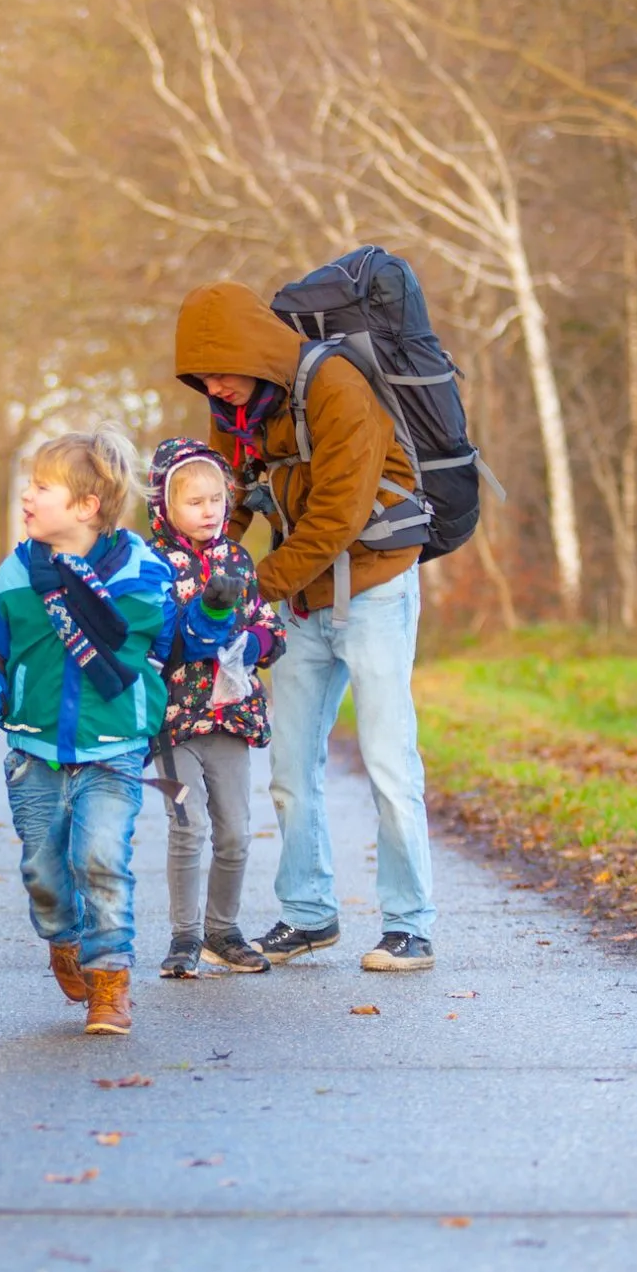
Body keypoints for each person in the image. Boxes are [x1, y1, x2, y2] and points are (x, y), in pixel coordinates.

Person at [173, 278, 438, 973]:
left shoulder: (336, 385)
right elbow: (222, 505)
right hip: (299, 604)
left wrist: (249, 588)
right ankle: (309, 914)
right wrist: (196, 572)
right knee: (290, 769)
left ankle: (410, 925)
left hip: (374, 587)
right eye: (201, 377)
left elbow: (337, 518)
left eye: (221, 371)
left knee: (387, 761)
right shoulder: (233, 411)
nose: (214, 386)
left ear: (254, 351)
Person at [0, 428, 240, 1036]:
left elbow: (178, 648)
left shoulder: (143, 574)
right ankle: (64, 940)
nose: (26, 497)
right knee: (43, 872)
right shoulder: (17, 573)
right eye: (29, 485)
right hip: (34, 749)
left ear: (86, 506)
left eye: (41, 487)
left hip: (113, 750)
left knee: (102, 860)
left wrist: (213, 609)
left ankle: (110, 981)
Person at [145, 438, 287, 979]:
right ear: (164, 507)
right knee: (187, 825)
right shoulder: (153, 565)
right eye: (194, 502)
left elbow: (268, 625)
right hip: (174, 722)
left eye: (217, 500)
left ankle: (222, 931)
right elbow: (158, 639)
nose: (210, 511)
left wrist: (256, 643)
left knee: (234, 832)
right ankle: (184, 937)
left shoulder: (238, 559)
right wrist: (203, 624)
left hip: (230, 718)